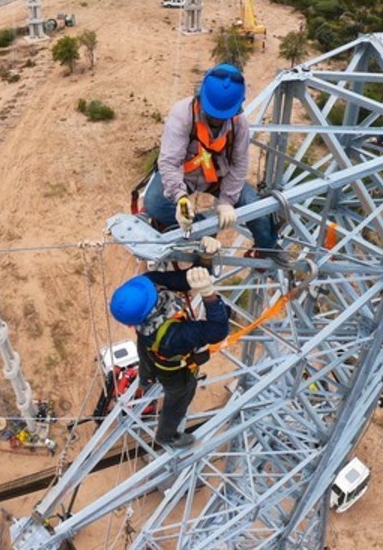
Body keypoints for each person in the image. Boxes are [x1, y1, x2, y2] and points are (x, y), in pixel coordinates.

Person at [143, 63, 282, 260]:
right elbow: (169, 162)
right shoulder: (183, 115)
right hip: (186, 175)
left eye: (222, 116)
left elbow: (239, 164)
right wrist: (181, 198)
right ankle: (201, 232)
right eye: (213, 115)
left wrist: (227, 201)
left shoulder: (238, 123)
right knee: (154, 203)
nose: (216, 120)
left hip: (219, 176)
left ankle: (270, 248)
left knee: (255, 209)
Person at [108, 241, 229, 449]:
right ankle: (166, 434)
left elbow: (186, 280)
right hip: (173, 371)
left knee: (145, 357)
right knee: (180, 396)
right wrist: (209, 296)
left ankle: (145, 379)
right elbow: (217, 330)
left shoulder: (146, 286)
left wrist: (205, 259)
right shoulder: (171, 336)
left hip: (149, 345)